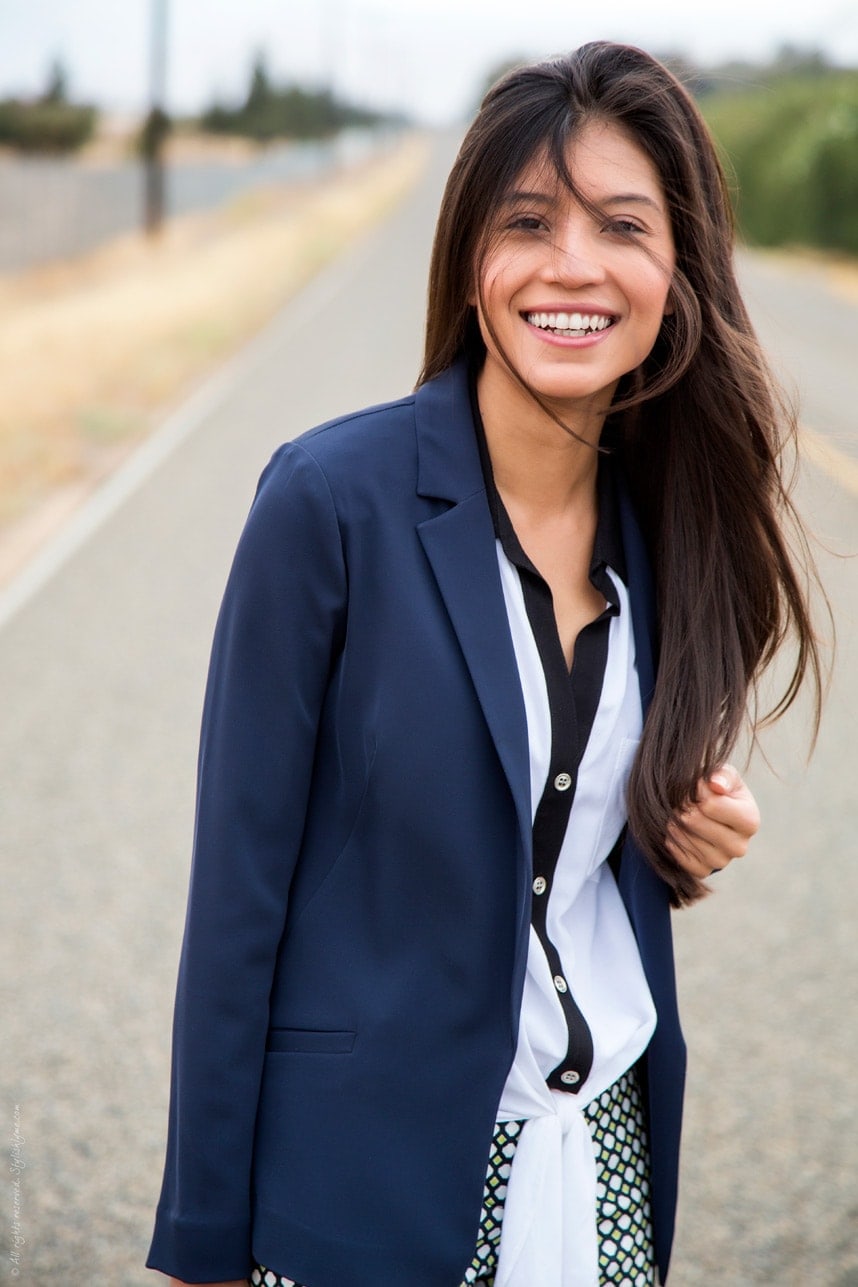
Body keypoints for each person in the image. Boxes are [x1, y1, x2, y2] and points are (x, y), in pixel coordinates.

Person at [147, 41, 823, 1287]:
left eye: (624, 224)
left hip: (606, 1146)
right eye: (529, 223)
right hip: (374, 1178)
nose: (574, 265)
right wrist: (201, 1242)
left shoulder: (666, 525)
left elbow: (546, 834)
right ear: (471, 261)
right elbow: (238, 893)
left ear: (676, 270)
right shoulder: (328, 502)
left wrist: (670, 825)